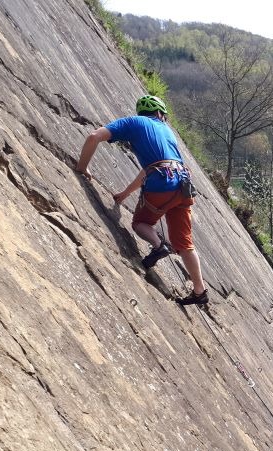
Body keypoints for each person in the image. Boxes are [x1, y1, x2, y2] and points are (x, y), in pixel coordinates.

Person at [75, 95, 208, 306]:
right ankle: (200, 290)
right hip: (183, 186)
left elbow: (94, 137)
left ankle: (158, 246)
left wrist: (82, 167)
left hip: (162, 182)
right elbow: (153, 167)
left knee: (141, 223)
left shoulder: (134, 122)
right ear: (159, 113)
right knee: (184, 244)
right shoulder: (167, 131)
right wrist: (126, 193)